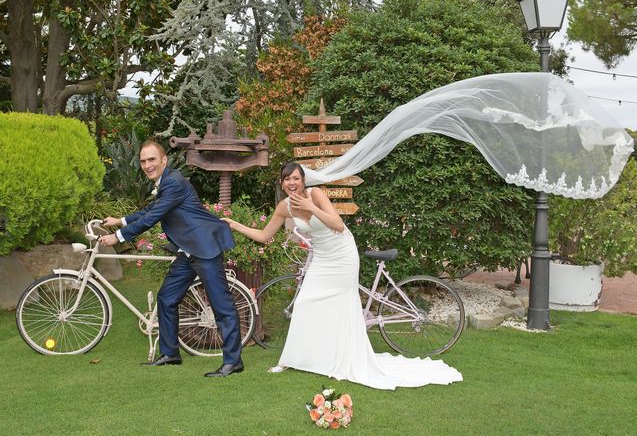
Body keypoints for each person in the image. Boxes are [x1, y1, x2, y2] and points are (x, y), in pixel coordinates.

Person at [222, 161, 463, 390]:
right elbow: (265, 236)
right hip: (322, 259)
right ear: (282, 183)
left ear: (303, 181)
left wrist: (310, 207)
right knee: (305, 303)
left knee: (341, 306)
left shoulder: (315, 195)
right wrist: (235, 225)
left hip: (342, 254)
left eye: (296, 178)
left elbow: (337, 224)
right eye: (287, 179)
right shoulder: (283, 207)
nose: (292, 183)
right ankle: (295, 359)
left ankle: (341, 358)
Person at [99, 140, 244, 378]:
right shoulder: (166, 183)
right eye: (143, 161)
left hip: (204, 248)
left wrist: (118, 236)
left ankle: (233, 361)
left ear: (164, 160)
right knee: (167, 298)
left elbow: (153, 217)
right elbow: (150, 210)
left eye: (152, 159)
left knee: (222, 305)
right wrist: (121, 220)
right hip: (187, 250)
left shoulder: (173, 182)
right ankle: (170, 354)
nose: (147, 165)